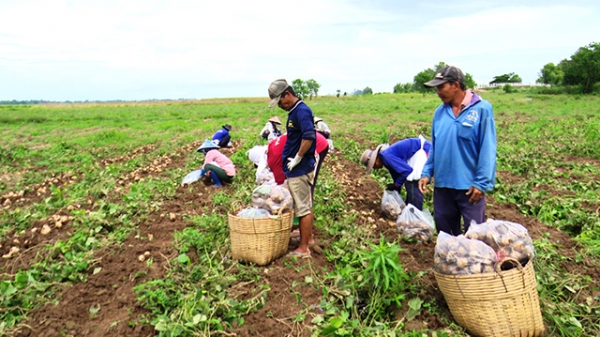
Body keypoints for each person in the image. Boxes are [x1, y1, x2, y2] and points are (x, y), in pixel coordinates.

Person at [418, 65, 497, 236]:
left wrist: (481, 183)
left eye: (441, 86)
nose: (438, 92)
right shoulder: (439, 113)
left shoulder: (482, 109)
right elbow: (435, 147)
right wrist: (427, 172)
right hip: (443, 187)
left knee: (475, 235)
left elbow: (488, 148)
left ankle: (475, 263)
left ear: (455, 85)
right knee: (446, 235)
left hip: (469, 188)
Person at [268, 79, 316, 257]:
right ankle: (307, 238)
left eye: (280, 101)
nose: (280, 106)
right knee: (305, 204)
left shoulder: (302, 111)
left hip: (300, 168)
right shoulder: (295, 111)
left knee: (303, 208)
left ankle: (304, 249)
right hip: (297, 168)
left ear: (287, 94)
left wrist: (297, 158)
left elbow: (309, 136)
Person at [361, 135, 431, 210]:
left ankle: (416, 215)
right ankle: (409, 212)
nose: (374, 168)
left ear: (376, 160)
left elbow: (407, 170)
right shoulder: (385, 159)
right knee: (410, 184)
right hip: (418, 152)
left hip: (423, 150)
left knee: (412, 183)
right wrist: (395, 188)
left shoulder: (387, 156)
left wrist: (396, 185)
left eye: (373, 165)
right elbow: (397, 175)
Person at [267, 132, 329, 197]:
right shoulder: (271, 146)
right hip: (309, 137)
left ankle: (308, 205)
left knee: (308, 182)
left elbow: (281, 188)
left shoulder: (275, 164)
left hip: (317, 144)